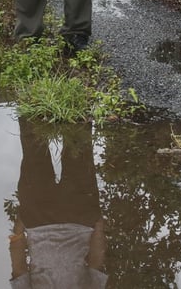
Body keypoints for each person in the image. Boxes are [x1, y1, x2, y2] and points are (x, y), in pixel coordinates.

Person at [8, 120, 108, 288]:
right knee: (38, 150)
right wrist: (97, 226)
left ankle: (44, 105)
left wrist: (97, 225)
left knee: (75, 151)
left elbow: (19, 269)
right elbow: (95, 265)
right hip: (55, 218)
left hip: (69, 218)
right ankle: (67, 106)